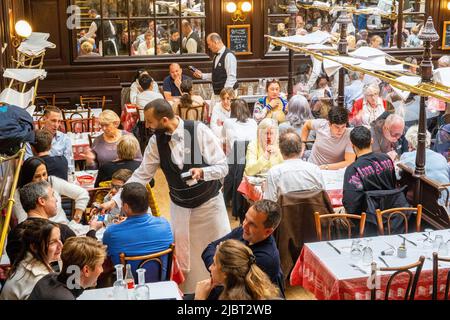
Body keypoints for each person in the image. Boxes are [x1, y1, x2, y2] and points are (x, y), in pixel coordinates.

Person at [101, 99, 231, 293]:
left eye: (150, 122)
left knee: (219, 254)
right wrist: (116, 199)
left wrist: (203, 172)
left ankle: (223, 292)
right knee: (187, 259)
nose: (147, 126)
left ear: (163, 120)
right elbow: (141, 174)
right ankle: (191, 296)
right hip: (180, 208)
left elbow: (223, 166)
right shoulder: (156, 141)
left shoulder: (199, 130)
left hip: (209, 206)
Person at [7, 181, 101, 264]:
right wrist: (92, 230)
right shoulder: (60, 231)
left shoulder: (13, 234)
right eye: (52, 195)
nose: (56, 199)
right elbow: (86, 257)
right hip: (57, 283)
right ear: (42, 201)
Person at [343, 126, 401, 233]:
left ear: (352, 145)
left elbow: (351, 204)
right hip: (392, 217)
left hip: (367, 223)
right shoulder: (386, 159)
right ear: (372, 141)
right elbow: (393, 186)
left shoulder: (353, 169)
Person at [103, 183, 173, 270]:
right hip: (162, 281)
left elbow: (104, 255)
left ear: (126, 206)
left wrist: (93, 230)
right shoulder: (165, 224)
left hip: (127, 281)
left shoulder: (112, 232)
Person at [196, 239, 280, 300]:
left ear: (225, 273)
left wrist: (199, 298)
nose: (210, 267)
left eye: (214, 264)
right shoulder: (257, 287)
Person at [14, 157, 89, 225]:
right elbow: (23, 222)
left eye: (44, 174)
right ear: (28, 178)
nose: (42, 179)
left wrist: (76, 219)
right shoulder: (20, 194)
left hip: (64, 228)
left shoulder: (52, 182)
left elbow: (82, 193)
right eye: (37, 176)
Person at [0, 219, 62, 300]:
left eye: (59, 239)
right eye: (52, 242)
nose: (61, 245)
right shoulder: (40, 281)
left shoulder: (23, 262)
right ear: (34, 247)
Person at [28, 237, 107, 300]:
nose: (102, 270)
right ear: (86, 270)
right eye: (100, 265)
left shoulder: (49, 278)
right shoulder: (63, 296)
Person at [264, 129, 325, 202]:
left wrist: (266, 190)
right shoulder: (315, 170)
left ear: (280, 150)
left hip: (284, 213)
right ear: (301, 149)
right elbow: (323, 198)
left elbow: (269, 203)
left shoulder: (274, 173)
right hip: (313, 213)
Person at [192, 33, 238, 107]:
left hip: (226, 97)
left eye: (209, 44)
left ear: (215, 42)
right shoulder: (216, 56)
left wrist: (224, 97)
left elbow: (231, 77)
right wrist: (202, 76)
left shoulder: (229, 56)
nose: (208, 47)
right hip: (217, 94)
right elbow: (217, 75)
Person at [26, 106, 74, 174]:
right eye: (53, 121)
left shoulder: (65, 139)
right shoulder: (33, 138)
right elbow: (28, 165)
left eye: (59, 121)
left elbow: (69, 166)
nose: (56, 125)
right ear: (44, 119)